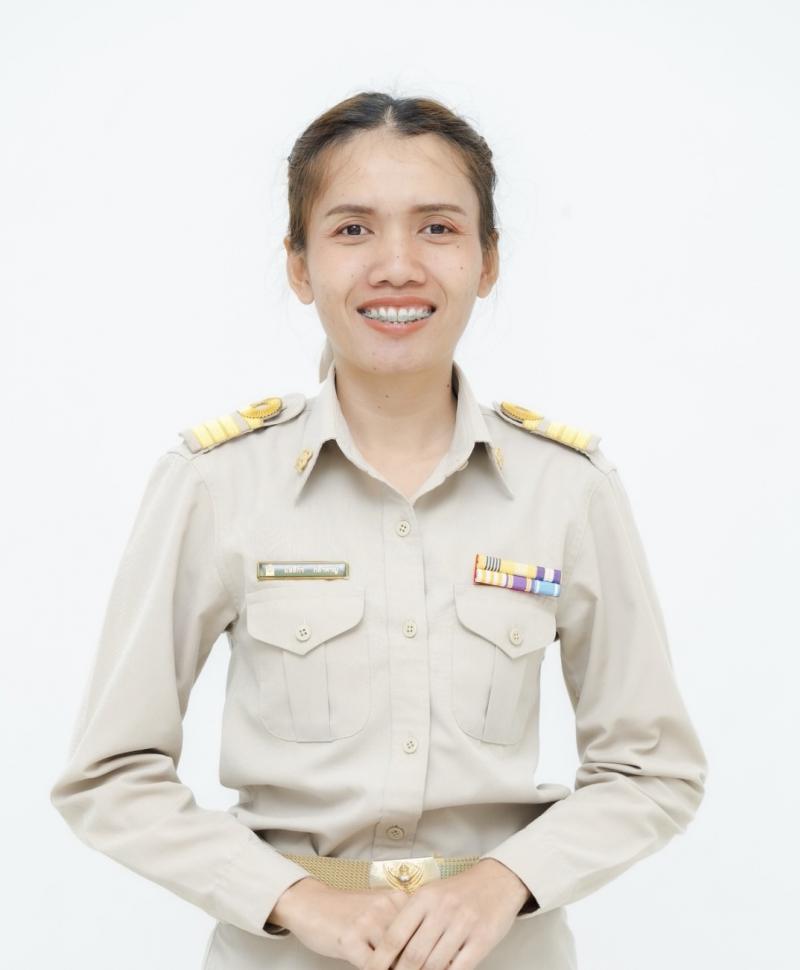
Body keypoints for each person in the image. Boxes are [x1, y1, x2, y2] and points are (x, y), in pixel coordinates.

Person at [49, 91, 708, 970]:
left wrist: (505, 881)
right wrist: (293, 900)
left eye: (438, 228)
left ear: (487, 260)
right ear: (298, 264)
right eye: (353, 229)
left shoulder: (568, 488)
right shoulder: (216, 483)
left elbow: (653, 770)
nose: (397, 266)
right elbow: (109, 774)